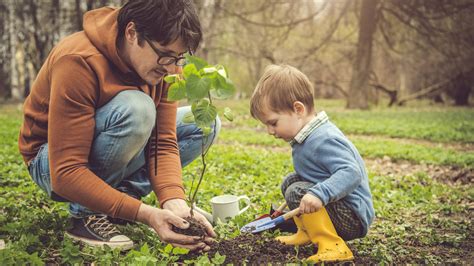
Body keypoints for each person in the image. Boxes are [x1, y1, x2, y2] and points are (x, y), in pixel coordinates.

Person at [18, 0, 218, 251]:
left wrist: (173, 199)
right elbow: (66, 171)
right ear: (132, 33)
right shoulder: (78, 60)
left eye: (179, 57)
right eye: (166, 55)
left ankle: (121, 202)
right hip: (51, 164)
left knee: (204, 122)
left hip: (104, 148)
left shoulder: (168, 66)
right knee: (138, 109)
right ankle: (86, 214)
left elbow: (163, 142)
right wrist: (147, 215)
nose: (173, 68)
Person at [249, 65, 375, 263]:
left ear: (298, 109)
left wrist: (319, 194)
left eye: (273, 123)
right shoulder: (307, 136)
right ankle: (307, 233)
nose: (270, 131)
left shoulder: (323, 138)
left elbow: (352, 172)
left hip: (352, 216)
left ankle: (332, 245)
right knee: (290, 182)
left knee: (297, 191)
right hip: (339, 207)